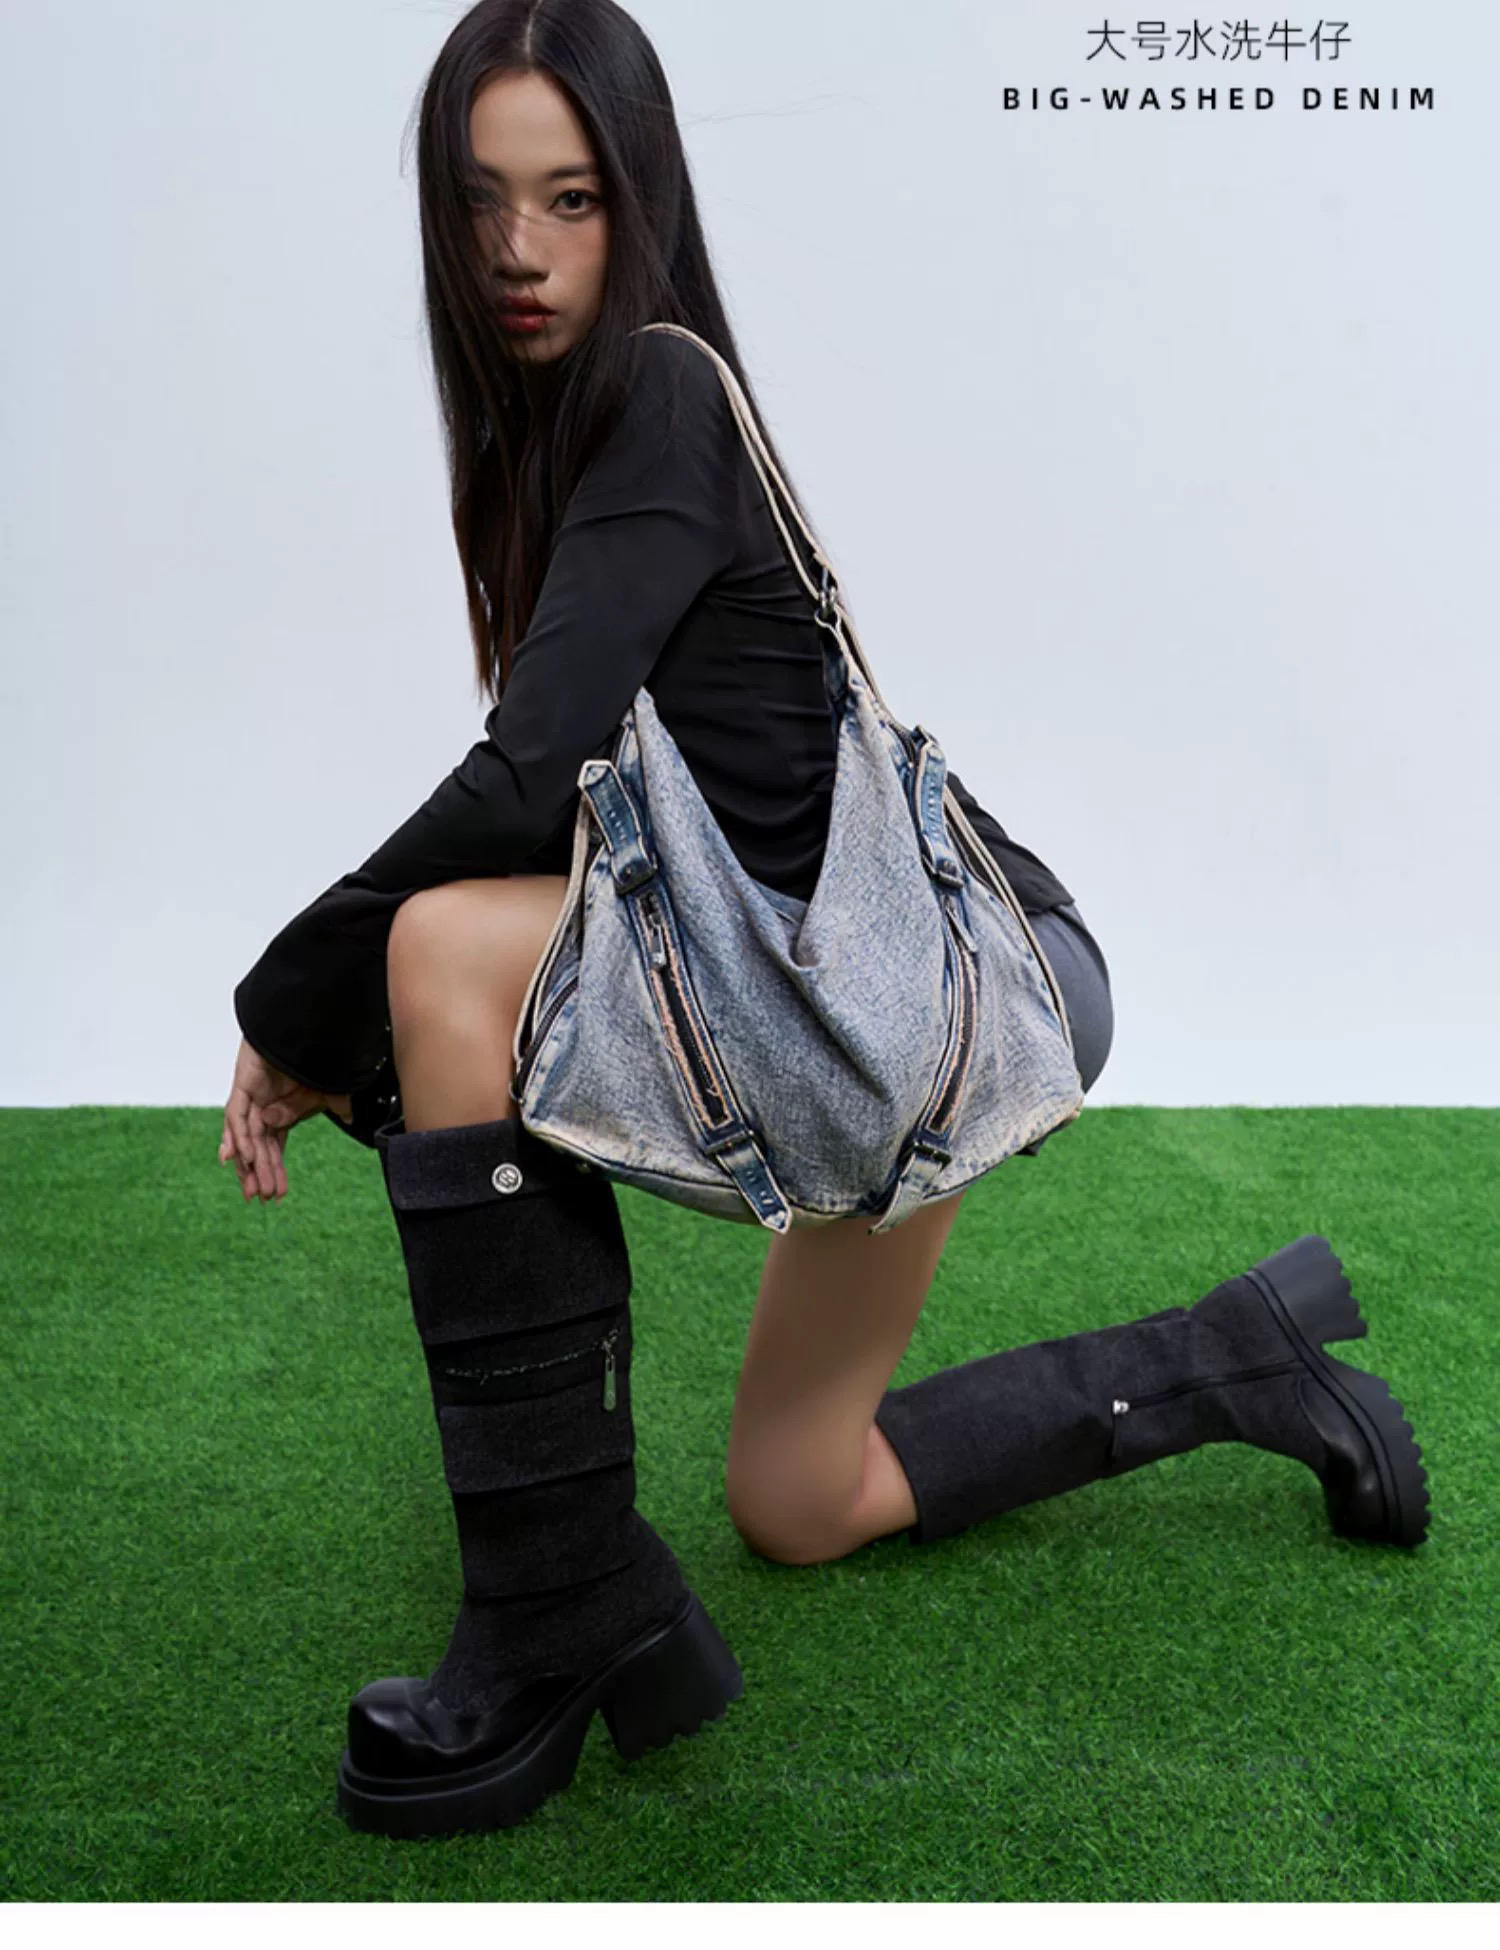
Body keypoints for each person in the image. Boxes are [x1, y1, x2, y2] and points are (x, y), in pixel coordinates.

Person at [218, 0, 1430, 1843]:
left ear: (640, 203)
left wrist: (290, 1007)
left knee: (438, 948)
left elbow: (528, 779)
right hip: (829, 1004)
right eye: (480, 203)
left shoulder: (661, 390)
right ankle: (1235, 1359)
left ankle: (550, 1612)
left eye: (570, 199)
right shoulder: (566, 430)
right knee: (800, 1495)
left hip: (929, 992)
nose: (520, 250)